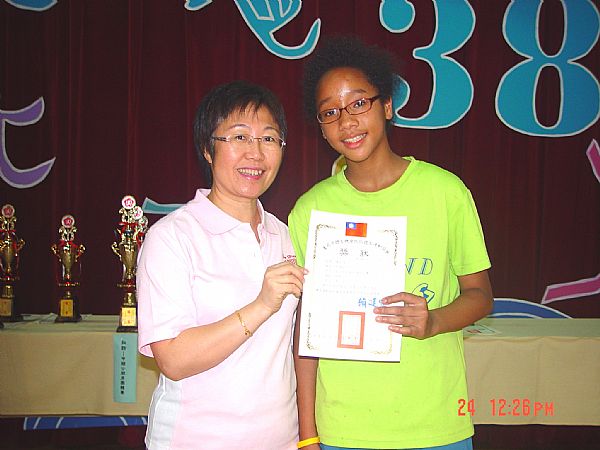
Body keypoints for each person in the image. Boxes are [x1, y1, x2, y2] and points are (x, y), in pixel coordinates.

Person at [288, 36, 493, 450]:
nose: (347, 121)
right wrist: (307, 433)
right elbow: (305, 330)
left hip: (435, 424)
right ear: (321, 127)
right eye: (330, 112)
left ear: (386, 106)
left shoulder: (445, 192)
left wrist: (433, 321)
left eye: (359, 103)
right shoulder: (310, 211)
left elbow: (480, 296)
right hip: (343, 428)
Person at [137, 80, 306, 450]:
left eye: (269, 138)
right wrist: (261, 305)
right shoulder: (172, 237)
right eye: (239, 137)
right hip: (195, 440)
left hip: (280, 439)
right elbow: (173, 360)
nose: (255, 154)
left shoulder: (286, 235)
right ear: (207, 149)